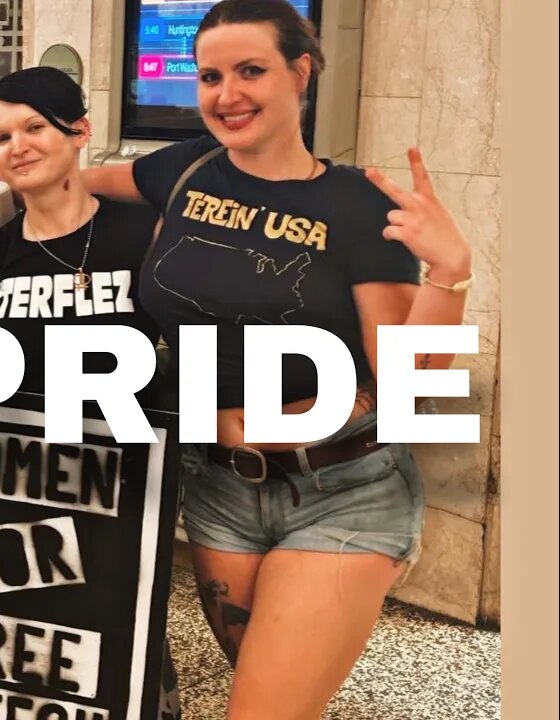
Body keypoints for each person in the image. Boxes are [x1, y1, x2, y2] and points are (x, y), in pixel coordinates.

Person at [77, 1, 473, 716]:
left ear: (301, 72)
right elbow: (63, 182)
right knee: (271, 688)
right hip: (216, 485)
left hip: (340, 484)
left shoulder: (355, 204)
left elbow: (409, 381)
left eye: (250, 71)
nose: (226, 95)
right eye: (209, 76)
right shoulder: (183, 169)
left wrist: (449, 273)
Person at [0, 66, 180, 719]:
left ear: (77, 132)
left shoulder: (143, 235)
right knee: (31, 658)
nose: (17, 146)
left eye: (34, 128)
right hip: (20, 489)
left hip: (120, 489)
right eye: (1, 136)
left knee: (130, 653)